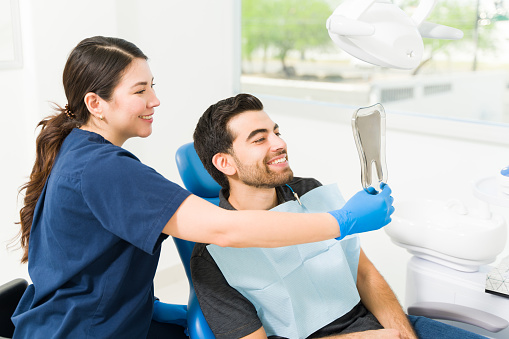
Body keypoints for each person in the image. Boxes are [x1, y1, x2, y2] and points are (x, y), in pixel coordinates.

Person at [11, 37, 395, 339]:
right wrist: (343, 220)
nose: (155, 100)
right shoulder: (103, 169)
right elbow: (225, 229)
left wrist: (149, 307)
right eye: (140, 90)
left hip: (94, 317)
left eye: (153, 87)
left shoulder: (78, 151)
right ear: (96, 103)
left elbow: (79, 258)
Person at [191, 93, 488, 339]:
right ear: (225, 163)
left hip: (381, 326)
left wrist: (402, 335)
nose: (279, 144)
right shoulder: (213, 255)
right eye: (260, 139)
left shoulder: (308, 192)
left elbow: (364, 273)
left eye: (276, 132)